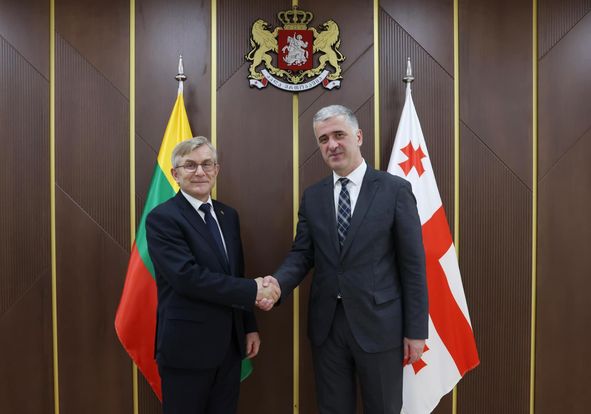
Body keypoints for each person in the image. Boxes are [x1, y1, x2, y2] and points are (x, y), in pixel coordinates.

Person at [260, 105, 428, 413]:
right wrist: (278, 285)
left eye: (339, 135)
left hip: (380, 325)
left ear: (358, 136)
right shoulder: (313, 196)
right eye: (323, 139)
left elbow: (413, 266)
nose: (332, 145)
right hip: (327, 327)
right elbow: (302, 254)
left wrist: (416, 331)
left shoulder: (394, 190)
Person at [146, 137, 280, 414]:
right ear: (175, 174)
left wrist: (248, 326)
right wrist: (254, 290)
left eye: (207, 164)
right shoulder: (163, 218)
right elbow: (186, 277)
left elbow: (236, 272)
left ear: (216, 170)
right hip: (187, 349)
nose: (200, 172)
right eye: (190, 165)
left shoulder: (228, 215)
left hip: (229, 346)